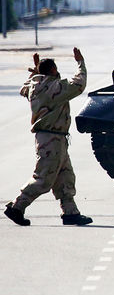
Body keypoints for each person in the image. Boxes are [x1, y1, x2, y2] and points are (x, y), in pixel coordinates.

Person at [4, 49, 93, 227]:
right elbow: (78, 84)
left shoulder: (34, 85)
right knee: (43, 178)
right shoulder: (55, 87)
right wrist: (80, 63)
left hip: (53, 139)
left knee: (65, 176)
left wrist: (36, 72)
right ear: (53, 70)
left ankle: (70, 212)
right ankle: (17, 207)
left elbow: (24, 88)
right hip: (51, 139)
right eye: (56, 69)